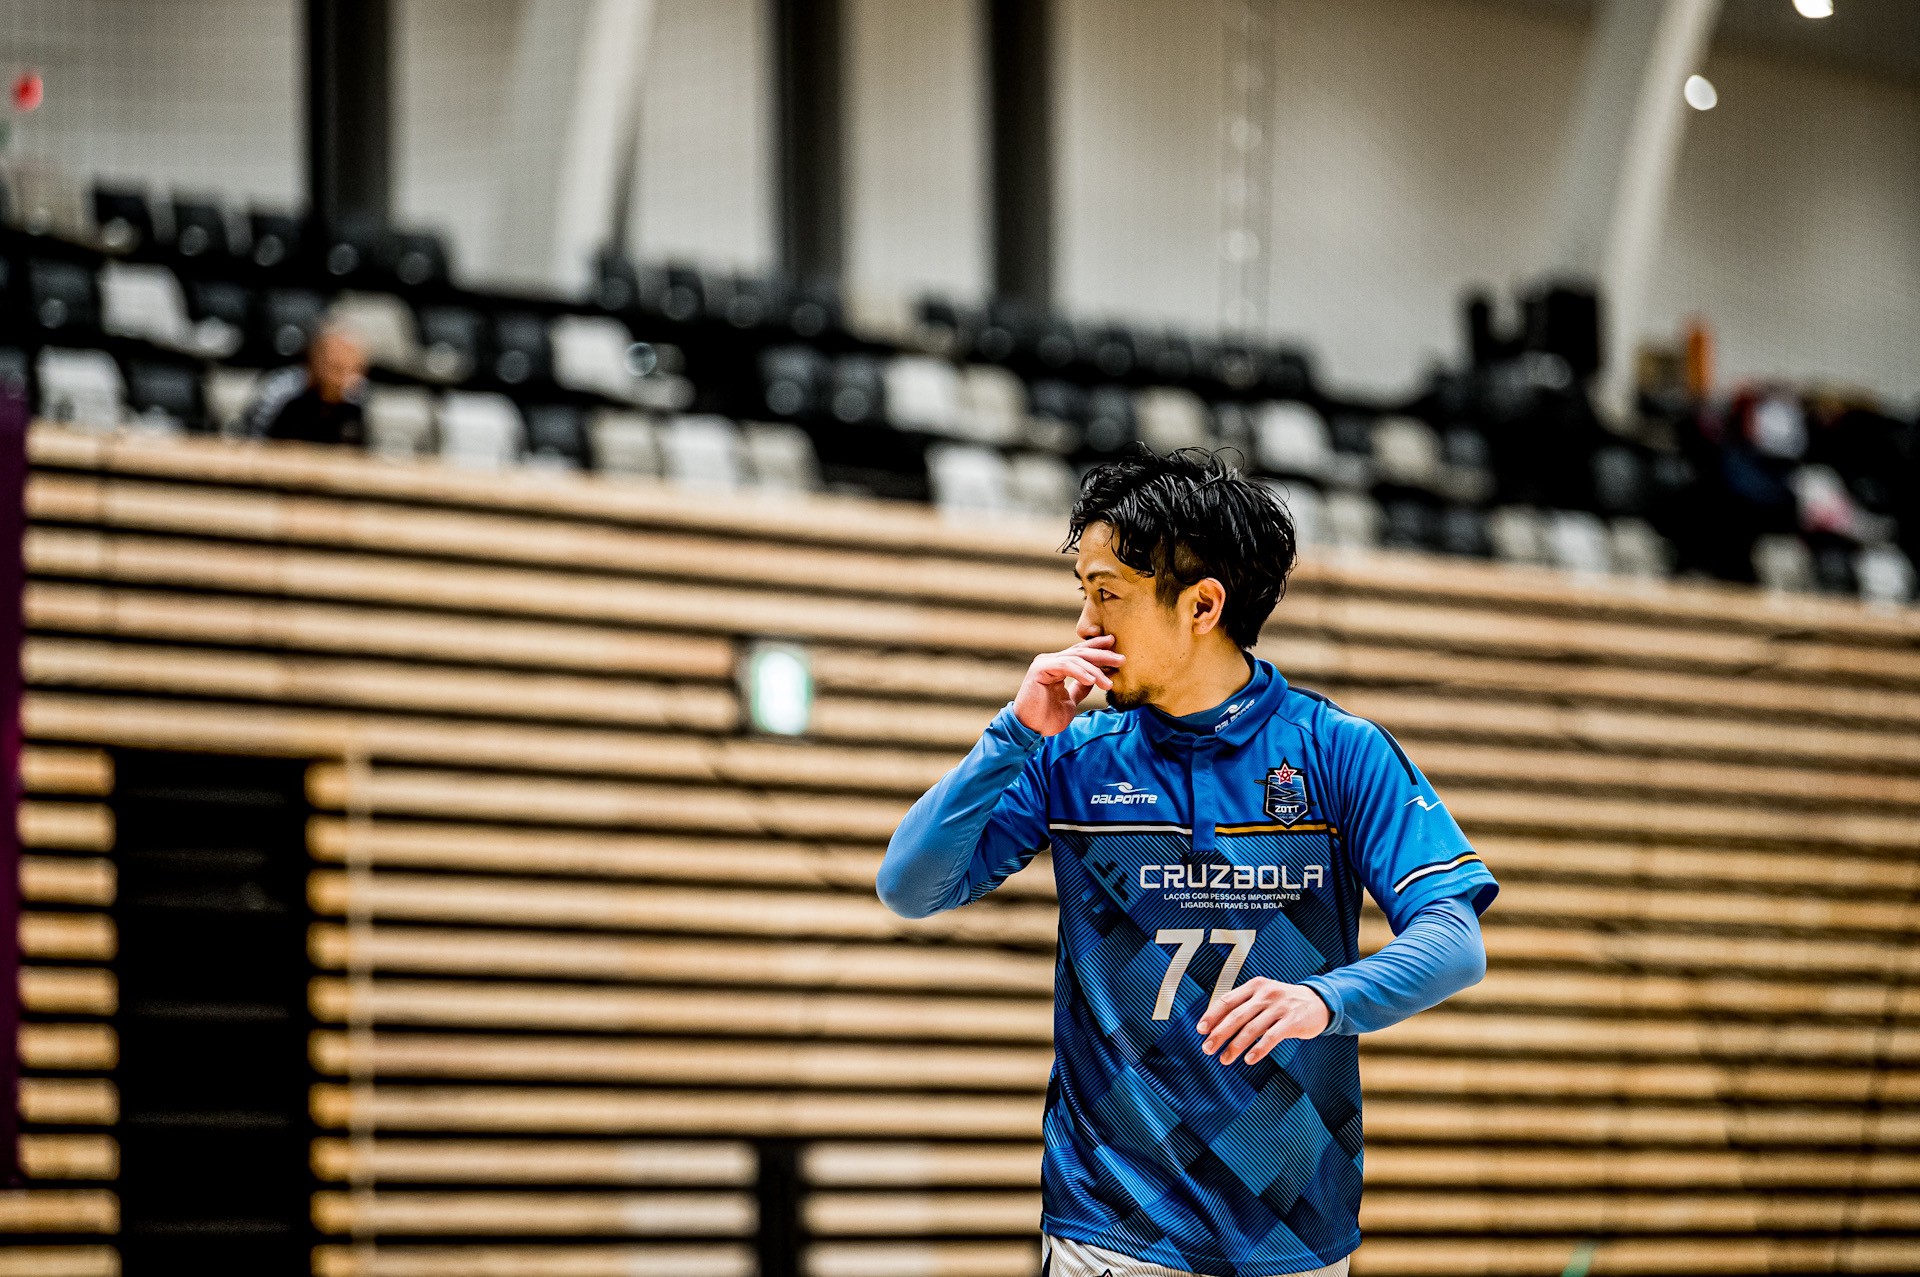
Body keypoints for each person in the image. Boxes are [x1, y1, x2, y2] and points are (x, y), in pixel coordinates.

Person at [878, 448, 1498, 1277]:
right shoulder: (1074, 756)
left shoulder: (1336, 752)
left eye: (1108, 593)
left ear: (1202, 604)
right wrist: (1012, 734)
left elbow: (1455, 942)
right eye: (1083, 592)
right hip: (1111, 1224)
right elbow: (910, 886)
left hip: (1293, 1231)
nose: (1084, 625)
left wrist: (1325, 998)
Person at [244, 322, 369, 446]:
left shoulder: (358, 397)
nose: (345, 378)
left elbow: (364, 450)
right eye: (336, 368)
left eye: (354, 369)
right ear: (315, 359)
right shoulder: (282, 389)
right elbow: (253, 441)